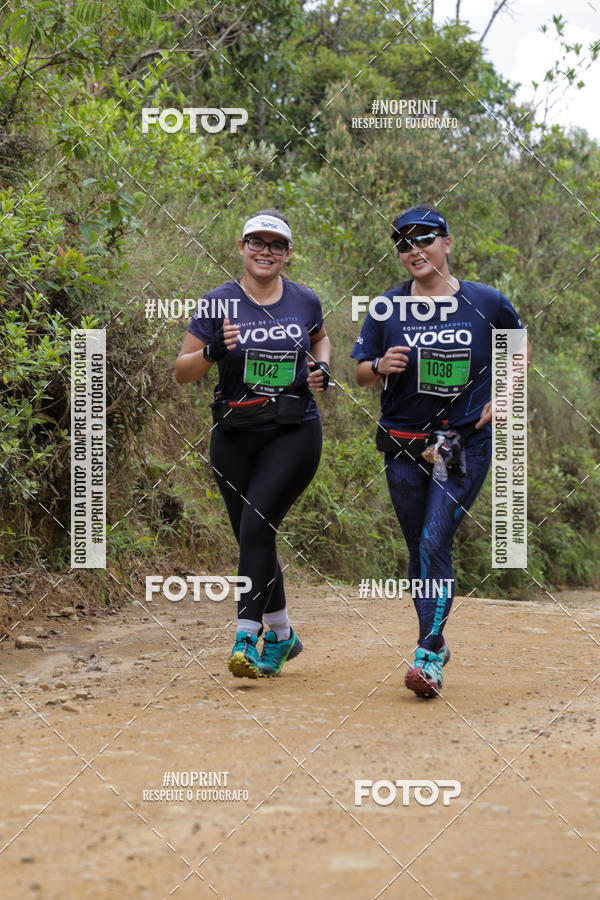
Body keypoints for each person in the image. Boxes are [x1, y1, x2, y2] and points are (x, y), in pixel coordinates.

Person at [351, 203, 530, 697]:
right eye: (403, 243)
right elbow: (360, 372)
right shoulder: (386, 307)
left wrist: (505, 395)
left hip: (456, 442)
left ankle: (427, 655)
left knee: (434, 540)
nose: (414, 250)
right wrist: (379, 366)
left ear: (447, 243)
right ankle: (436, 638)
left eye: (424, 239)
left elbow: (518, 346)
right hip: (403, 442)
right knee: (418, 549)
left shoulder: (485, 301)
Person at [175, 209, 331, 678]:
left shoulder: (304, 300)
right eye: (257, 243)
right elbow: (182, 371)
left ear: (288, 253)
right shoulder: (217, 302)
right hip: (234, 435)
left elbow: (321, 340)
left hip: (293, 431)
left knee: (257, 527)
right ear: (242, 248)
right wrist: (212, 351)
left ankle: (246, 633)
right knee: (252, 536)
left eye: (276, 245)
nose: (266, 252)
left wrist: (322, 367)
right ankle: (282, 634)